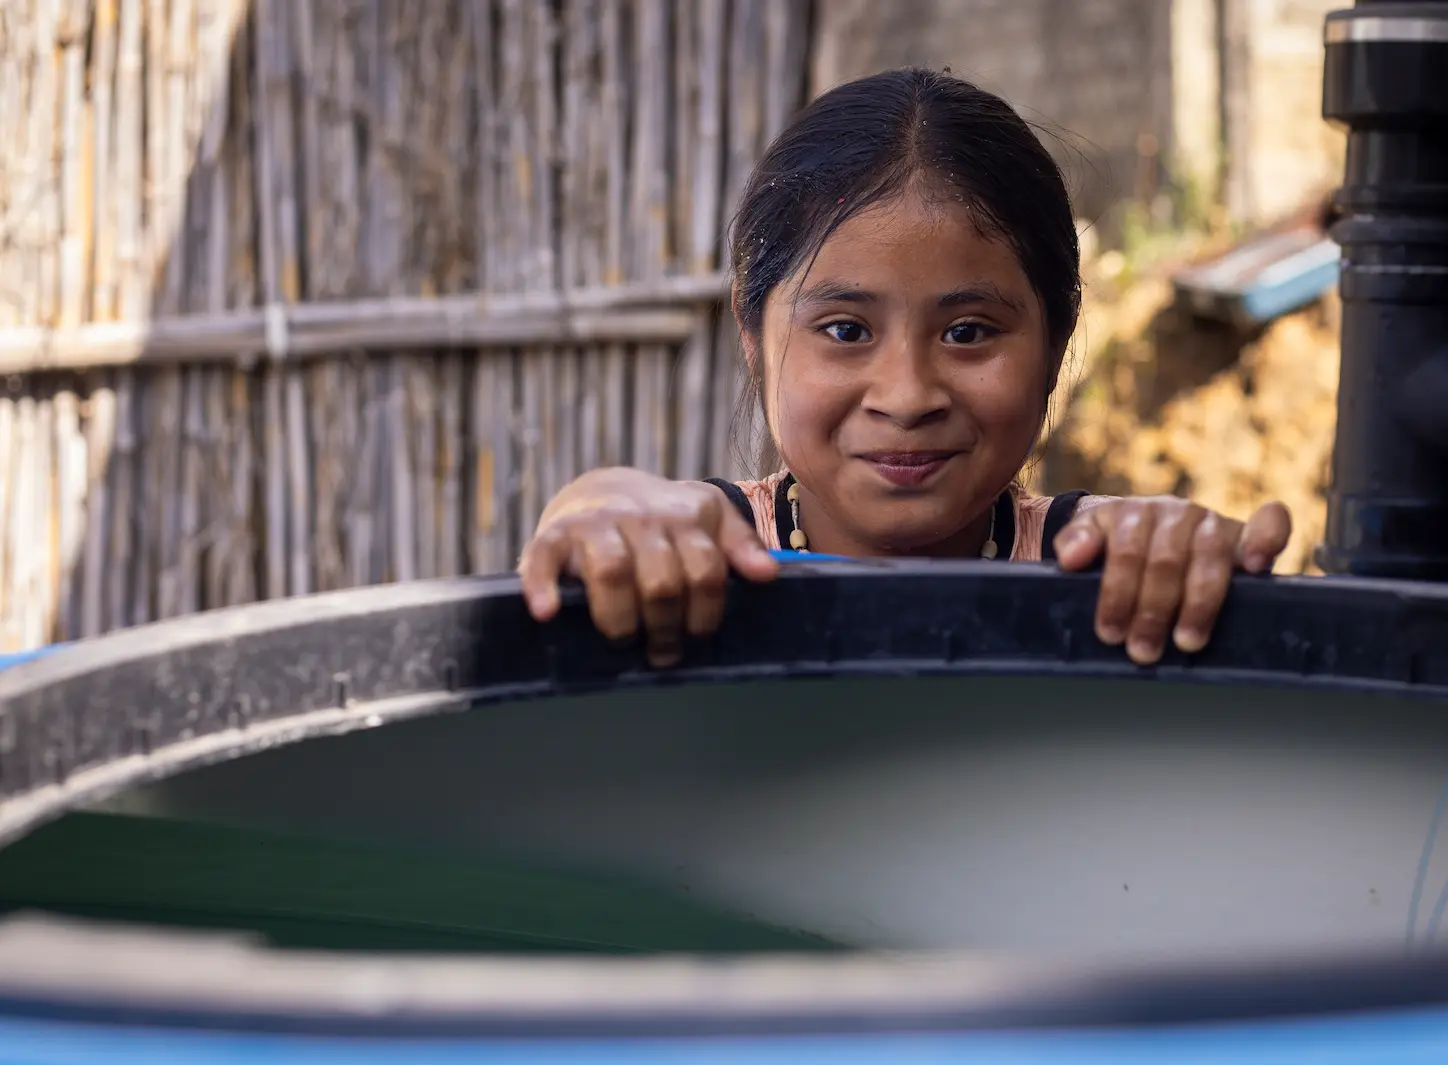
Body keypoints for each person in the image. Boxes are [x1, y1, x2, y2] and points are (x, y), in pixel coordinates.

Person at [519, 68, 1291, 668]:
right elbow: (594, 518)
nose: (908, 395)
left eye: (966, 332)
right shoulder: (698, 560)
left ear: (1055, 346)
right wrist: (608, 510)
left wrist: (1171, 556)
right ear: (753, 338)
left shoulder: (1100, 574)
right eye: (847, 329)